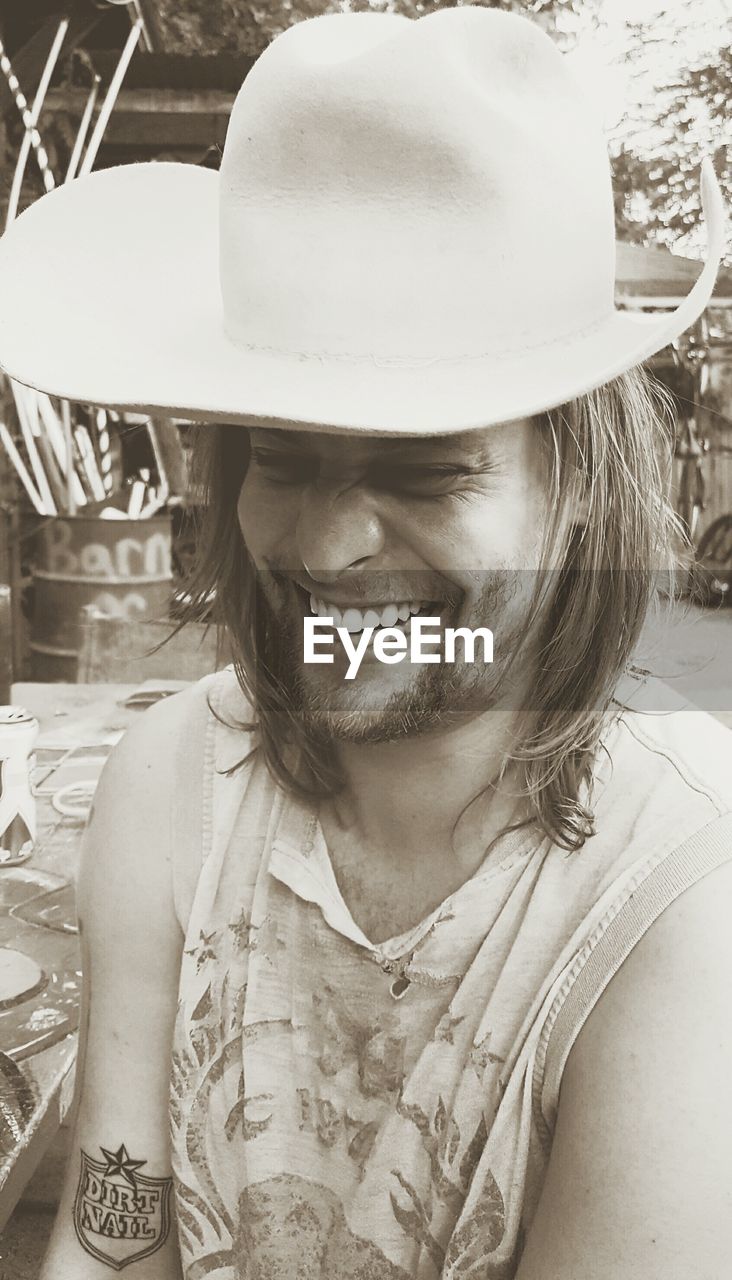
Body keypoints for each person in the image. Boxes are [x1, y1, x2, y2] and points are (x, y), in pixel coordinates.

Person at [0, 7, 730, 1279]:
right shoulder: (172, 783)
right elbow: (117, 1235)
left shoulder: (679, 898)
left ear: (574, 492)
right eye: (281, 456)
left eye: (427, 471)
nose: (326, 549)